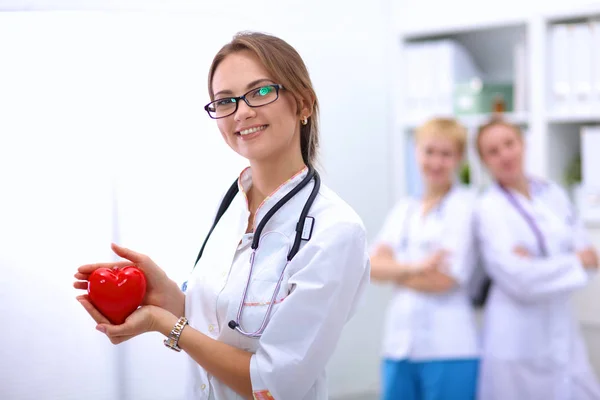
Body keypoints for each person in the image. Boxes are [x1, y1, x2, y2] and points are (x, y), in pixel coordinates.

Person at [73, 31, 370, 400]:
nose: (242, 111)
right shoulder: (231, 207)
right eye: (225, 100)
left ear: (303, 104)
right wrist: (166, 297)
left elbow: (273, 384)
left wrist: (166, 324)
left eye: (261, 91)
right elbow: (226, 327)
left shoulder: (335, 231)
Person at [473, 117, 600, 400]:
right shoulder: (488, 208)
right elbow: (519, 279)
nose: (505, 154)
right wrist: (573, 261)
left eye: (509, 144)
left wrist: (539, 264)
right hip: (517, 336)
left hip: (562, 329)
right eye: (493, 151)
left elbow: (592, 258)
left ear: (523, 143)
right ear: (484, 160)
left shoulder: (552, 193)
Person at [370, 117, 480, 400]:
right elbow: (371, 268)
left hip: (449, 347)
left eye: (446, 154)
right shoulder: (404, 209)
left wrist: (394, 270)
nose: (436, 162)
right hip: (398, 346)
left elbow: (442, 279)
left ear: (459, 159)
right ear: (417, 152)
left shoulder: (466, 207)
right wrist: (416, 267)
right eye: (429, 151)